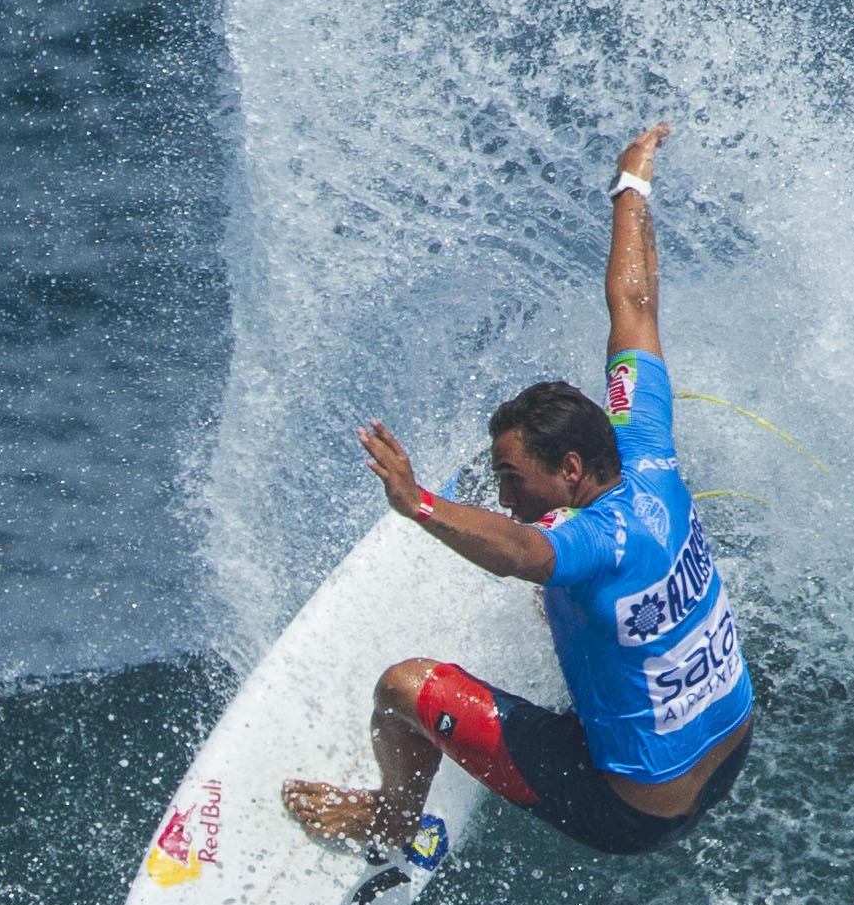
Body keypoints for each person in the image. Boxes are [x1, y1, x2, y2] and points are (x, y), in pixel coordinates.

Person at [284, 122, 756, 861]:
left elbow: (521, 551)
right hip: (731, 751)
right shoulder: (648, 449)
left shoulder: (590, 540)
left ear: (571, 468)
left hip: (634, 811)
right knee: (571, 599)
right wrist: (632, 185)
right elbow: (633, 306)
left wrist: (420, 505)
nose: (505, 497)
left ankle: (391, 822)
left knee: (405, 688)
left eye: (512, 478)